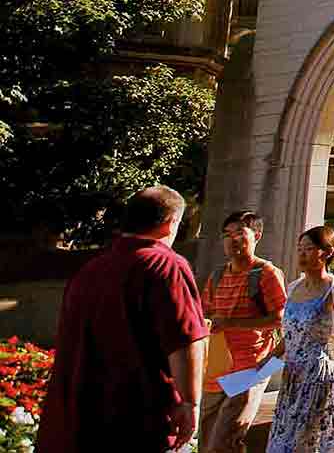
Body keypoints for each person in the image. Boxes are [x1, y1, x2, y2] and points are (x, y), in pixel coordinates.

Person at [38, 186, 209, 453]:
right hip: (133, 421)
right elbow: (184, 339)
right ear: (171, 223)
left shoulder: (90, 269)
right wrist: (190, 402)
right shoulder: (166, 265)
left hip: (75, 421)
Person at [265, 225, 334, 453]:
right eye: (300, 249)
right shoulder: (294, 287)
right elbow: (291, 335)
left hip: (316, 374)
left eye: (308, 249)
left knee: (299, 443)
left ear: (326, 253)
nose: (302, 254)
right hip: (292, 377)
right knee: (283, 442)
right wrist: (267, 361)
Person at [198, 210, 288, 453]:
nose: (232, 240)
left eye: (239, 233)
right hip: (215, 368)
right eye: (227, 234)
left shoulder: (266, 273)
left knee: (225, 439)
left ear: (256, 235)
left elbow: (281, 319)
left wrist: (231, 323)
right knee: (207, 442)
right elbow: (205, 315)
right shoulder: (217, 275)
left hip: (252, 367)